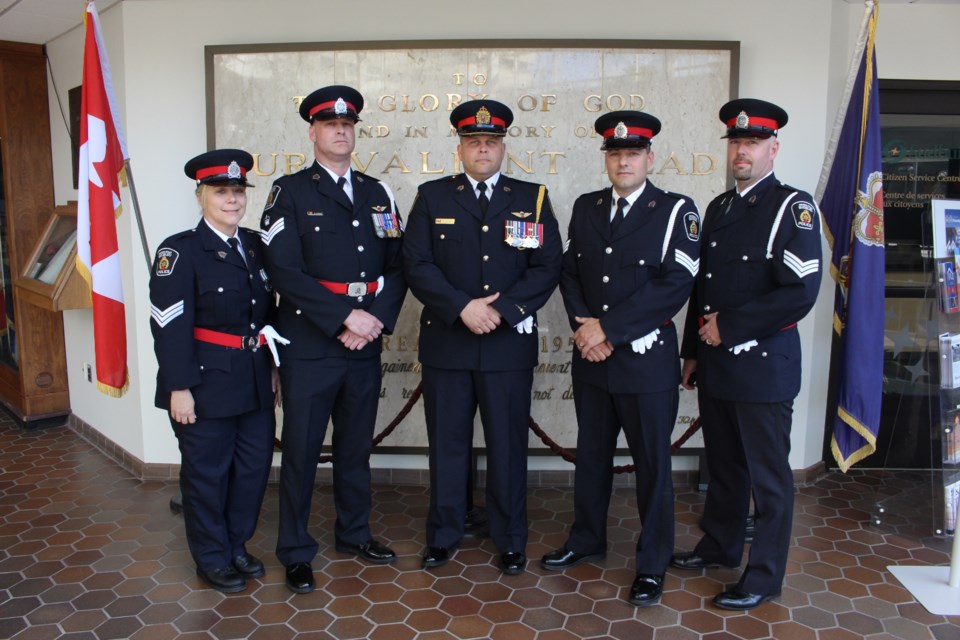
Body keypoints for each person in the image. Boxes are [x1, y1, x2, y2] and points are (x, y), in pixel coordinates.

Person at [541, 111, 701, 606]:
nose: (623, 160)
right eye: (615, 153)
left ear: (649, 158)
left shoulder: (676, 210)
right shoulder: (587, 207)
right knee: (591, 454)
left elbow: (676, 283)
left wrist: (608, 329)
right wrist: (586, 328)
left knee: (652, 463)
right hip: (593, 359)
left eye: (633, 153)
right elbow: (569, 273)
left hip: (645, 363)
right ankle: (587, 537)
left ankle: (652, 562)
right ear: (606, 159)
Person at [671, 98, 822, 610]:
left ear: (773, 148)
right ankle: (719, 545)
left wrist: (728, 327)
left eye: (752, 142)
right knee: (726, 467)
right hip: (717, 364)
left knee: (768, 479)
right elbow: (702, 287)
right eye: (736, 141)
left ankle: (763, 576)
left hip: (762, 367)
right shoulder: (719, 207)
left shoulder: (792, 207)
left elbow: (800, 291)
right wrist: (692, 350)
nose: (742, 150)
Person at [403, 99, 562, 575]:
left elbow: (547, 266)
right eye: (474, 142)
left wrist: (502, 309)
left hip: (506, 344)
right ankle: (444, 533)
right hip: (449, 343)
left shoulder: (531, 196)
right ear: (460, 148)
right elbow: (417, 263)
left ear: (503, 147)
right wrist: (463, 308)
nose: (483, 150)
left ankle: (510, 537)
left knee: (508, 446)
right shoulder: (433, 196)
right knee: (447, 445)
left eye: (491, 142)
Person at [258, 85, 407, 594]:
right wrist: (345, 318)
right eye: (330, 125)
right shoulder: (290, 191)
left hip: (364, 343)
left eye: (348, 125)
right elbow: (284, 271)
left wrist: (375, 321)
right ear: (313, 132)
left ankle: (354, 532)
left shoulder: (377, 192)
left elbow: (398, 266)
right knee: (300, 449)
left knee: (355, 446)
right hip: (313, 342)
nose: (340, 131)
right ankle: (296, 549)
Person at [149, 149, 282, 593]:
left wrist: (275, 368)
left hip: (254, 378)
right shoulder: (180, 251)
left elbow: (269, 313)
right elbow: (169, 325)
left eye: (238, 191)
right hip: (203, 382)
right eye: (221, 191)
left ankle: (236, 545)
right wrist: (179, 387)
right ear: (200, 194)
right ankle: (211, 557)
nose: (232, 199)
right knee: (207, 476)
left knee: (251, 470)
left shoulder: (256, 245)